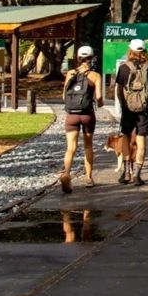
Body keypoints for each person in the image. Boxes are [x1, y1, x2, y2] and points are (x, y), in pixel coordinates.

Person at [115, 39, 148, 186]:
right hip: (144, 110)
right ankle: (137, 174)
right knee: (141, 141)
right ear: (145, 51)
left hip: (128, 109)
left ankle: (126, 172)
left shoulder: (123, 68)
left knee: (126, 138)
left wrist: (124, 106)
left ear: (130, 51)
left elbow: (118, 91)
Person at [59, 45, 103, 193]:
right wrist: (99, 103)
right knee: (88, 146)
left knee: (71, 148)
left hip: (71, 115)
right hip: (87, 115)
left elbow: (64, 96)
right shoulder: (95, 76)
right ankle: (89, 178)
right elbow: (99, 97)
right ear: (91, 58)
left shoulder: (70, 73)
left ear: (78, 58)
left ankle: (66, 173)